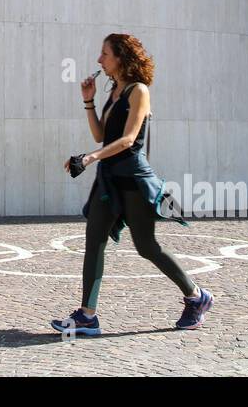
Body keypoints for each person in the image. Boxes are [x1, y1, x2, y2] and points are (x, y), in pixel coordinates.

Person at [50, 33, 213, 335]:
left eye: (105, 54)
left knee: (147, 247)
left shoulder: (139, 91)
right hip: (109, 179)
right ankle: (87, 315)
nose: (99, 60)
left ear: (121, 58)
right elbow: (101, 134)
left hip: (134, 180)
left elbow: (127, 140)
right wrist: (88, 100)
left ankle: (196, 296)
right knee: (94, 240)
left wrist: (89, 158)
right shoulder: (113, 92)